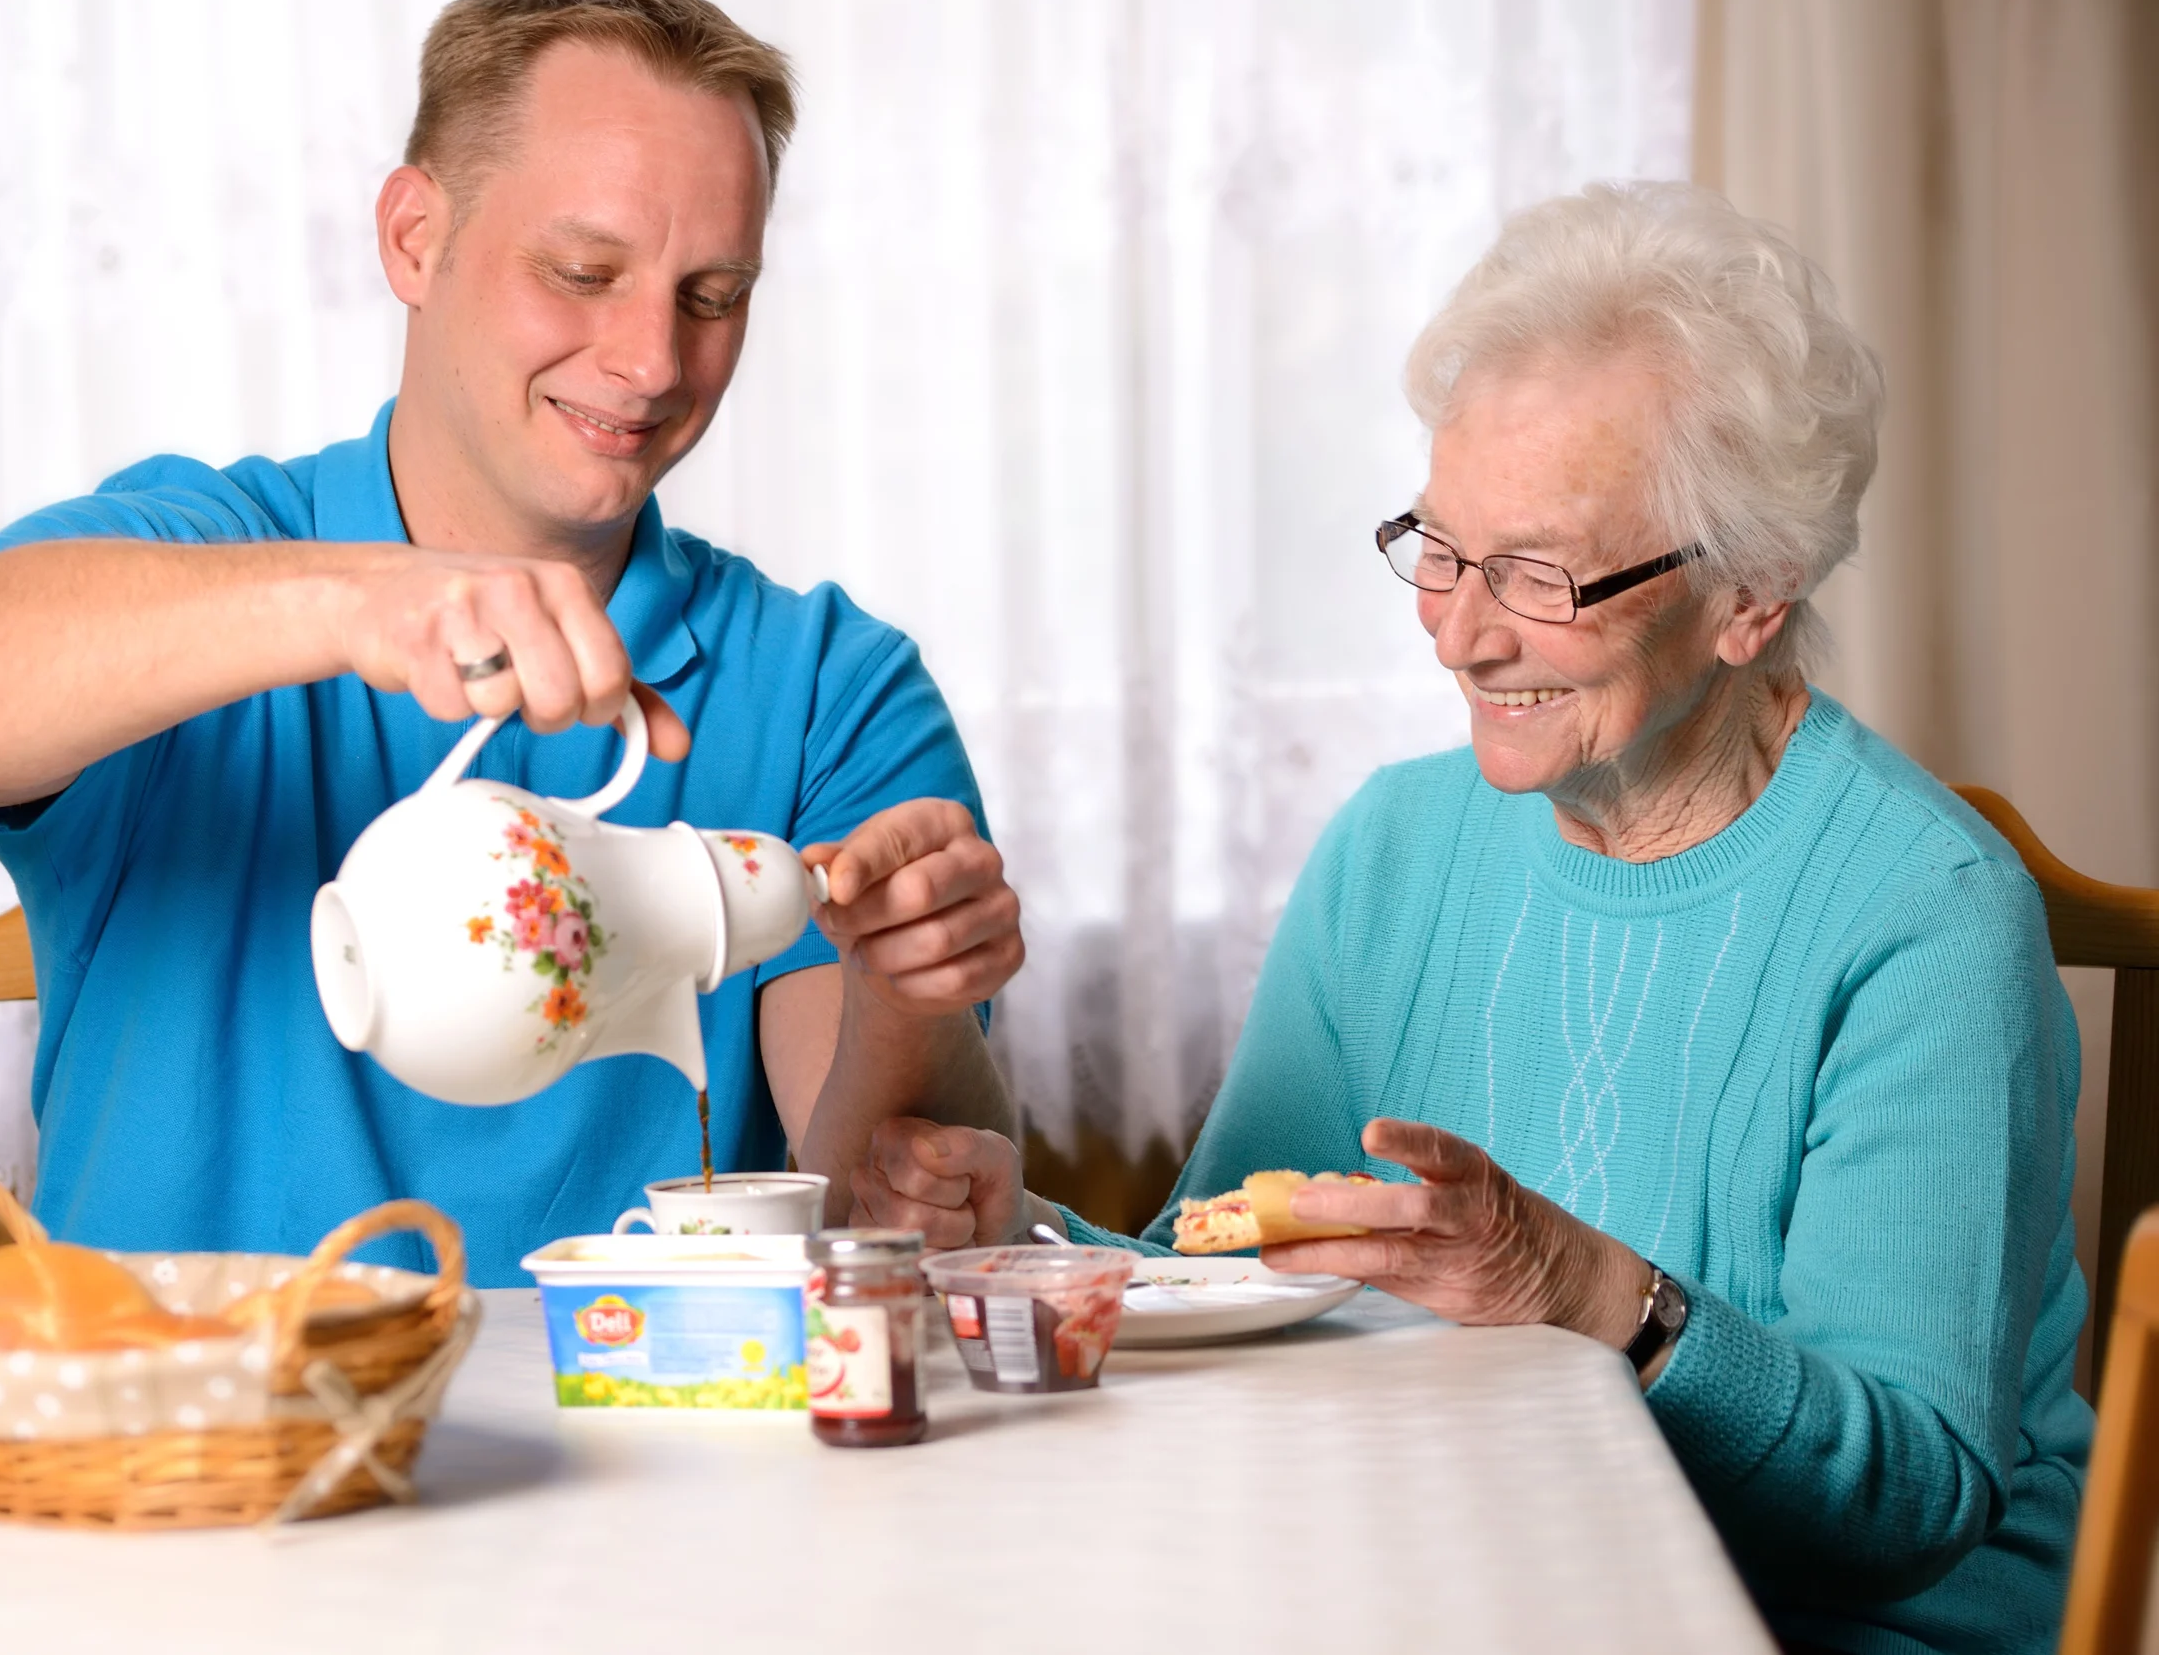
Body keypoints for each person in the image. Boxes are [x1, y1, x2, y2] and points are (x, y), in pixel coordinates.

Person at [853, 182, 2090, 1652]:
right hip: (1489, 1589)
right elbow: (1229, 1266)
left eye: (1539, 572)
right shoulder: (1396, 844)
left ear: (1751, 590)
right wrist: (1034, 1238)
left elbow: (1912, 1504)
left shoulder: (1922, 916)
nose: (1459, 629)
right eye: (1439, 547)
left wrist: (1594, 1298)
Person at [0, 0, 1023, 1284]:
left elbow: (860, 1203)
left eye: (713, 294)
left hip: (656, 1457)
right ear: (412, 238)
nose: (652, 360)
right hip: (204, 1451)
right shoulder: (212, 568)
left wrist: (915, 996)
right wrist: (356, 601)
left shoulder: (825, 689)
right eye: (584, 270)